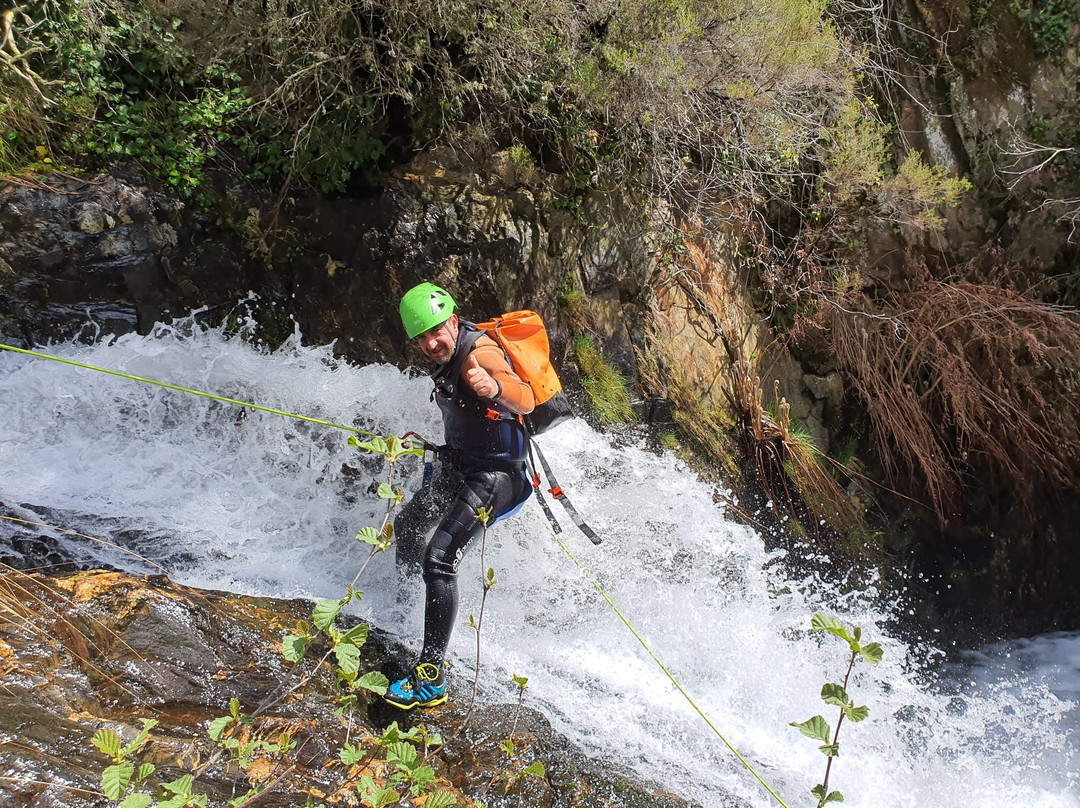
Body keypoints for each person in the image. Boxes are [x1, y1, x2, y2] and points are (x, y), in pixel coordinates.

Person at [386, 282, 535, 710]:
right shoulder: (446, 355)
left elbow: (523, 400)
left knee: (439, 558)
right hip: (461, 465)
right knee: (409, 525)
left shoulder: (479, 354)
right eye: (422, 337)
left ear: (453, 320)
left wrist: (494, 389)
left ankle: (431, 678)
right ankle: (402, 608)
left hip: (497, 476)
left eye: (437, 330)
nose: (431, 342)